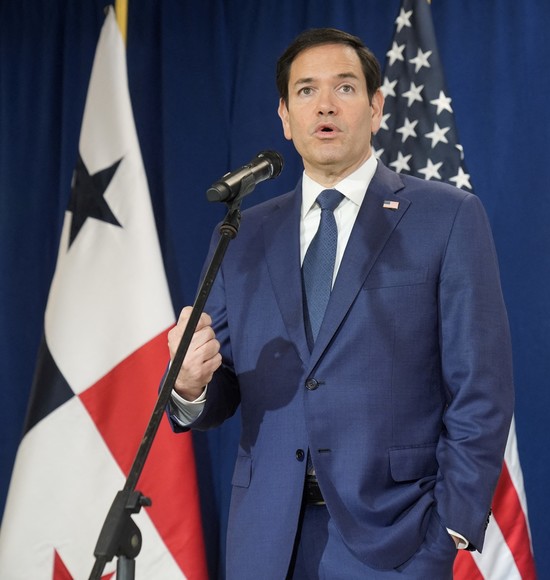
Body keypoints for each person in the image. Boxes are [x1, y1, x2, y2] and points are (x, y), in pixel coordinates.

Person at [166, 27, 514, 579]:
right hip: (266, 540)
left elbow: (481, 388)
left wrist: (450, 527)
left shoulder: (446, 218)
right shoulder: (243, 233)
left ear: (376, 107)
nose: (324, 105)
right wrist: (190, 384)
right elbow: (225, 390)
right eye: (305, 91)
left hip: (397, 538)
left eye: (344, 88)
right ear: (284, 115)